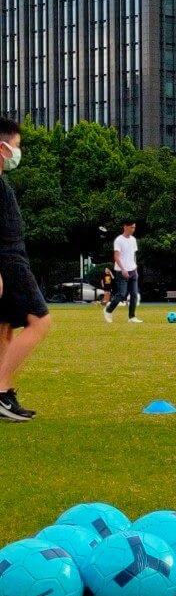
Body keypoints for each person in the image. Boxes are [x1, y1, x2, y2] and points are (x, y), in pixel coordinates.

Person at [0, 117, 51, 422]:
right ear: (2, 147)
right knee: (40, 322)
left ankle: (4, 396)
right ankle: (0, 390)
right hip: (8, 259)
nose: (19, 153)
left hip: (12, 256)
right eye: (16, 146)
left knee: (5, 328)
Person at [103, 220, 142, 323]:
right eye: (131, 227)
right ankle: (108, 310)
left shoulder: (133, 240)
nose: (133, 229)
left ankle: (132, 317)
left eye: (134, 227)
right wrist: (123, 269)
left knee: (134, 295)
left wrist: (135, 268)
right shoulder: (119, 240)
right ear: (125, 227)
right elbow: (116, 256)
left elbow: (133, 256)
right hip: (121, 271)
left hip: (133, 271)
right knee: (121, 294)